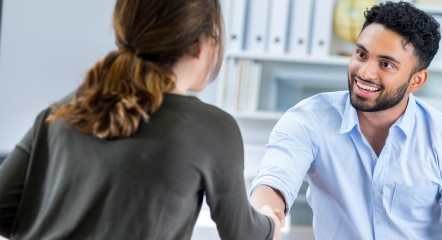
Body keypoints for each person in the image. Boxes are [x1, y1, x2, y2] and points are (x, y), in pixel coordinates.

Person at [0, 0, 281, 239]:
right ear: (200, 46)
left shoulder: (62, 111)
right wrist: (270, 222)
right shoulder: (213, 128)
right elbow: (243, 234)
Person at [249, 1, 442, 239]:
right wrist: (266, 215)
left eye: (385, 64)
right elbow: (274, 181)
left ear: (416, 80)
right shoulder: (309, 119)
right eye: (361, 54)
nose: (365, 72)